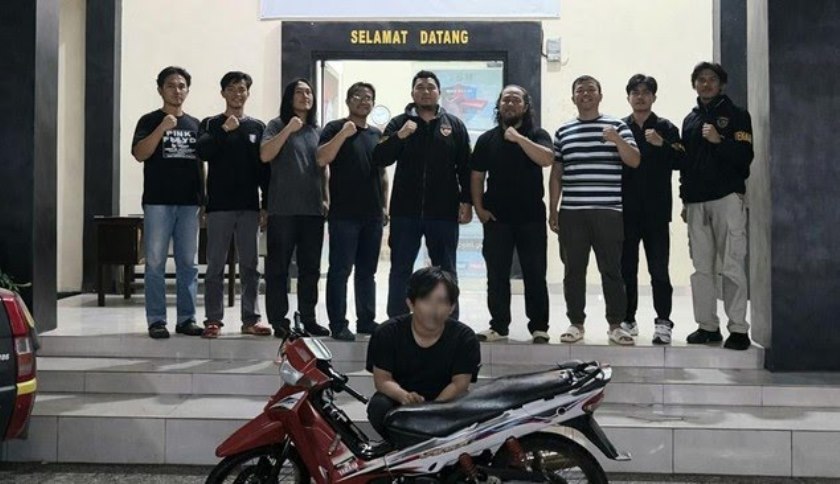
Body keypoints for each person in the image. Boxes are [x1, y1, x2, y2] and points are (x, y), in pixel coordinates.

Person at [373, 70, 472, 319]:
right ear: (412, 93)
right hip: (405, 212)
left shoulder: (454, 125)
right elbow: (380, 157)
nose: (425, 91)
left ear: (439, 93)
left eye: (430, 87)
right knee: (400, 269)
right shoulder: (398, 123)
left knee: (446, 270)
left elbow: (465, 167)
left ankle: (449, 320)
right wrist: (400, 136)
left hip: (443, 212)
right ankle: (396, 320)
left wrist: (467, 201)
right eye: (420, 87)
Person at [549, 75, 641, 345]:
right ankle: (576, 323)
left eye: (591, 90)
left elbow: (634, 160)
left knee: (612, 270)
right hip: (572, 213)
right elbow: (557, 173)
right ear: (573, 97)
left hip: (608, 211)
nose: (586, 94)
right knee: (573, 271)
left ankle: (616, 324)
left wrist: (616, 139)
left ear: (600, 96)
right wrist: (553, 209)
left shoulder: (618, 126)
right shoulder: (563, 131)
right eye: (580, 90)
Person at [470, 85, 554, 344]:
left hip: (531, 218)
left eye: (516, 100)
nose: (510, 104)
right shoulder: (486, 139)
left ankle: (539, 327)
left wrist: (519, 138)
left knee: (535, 274)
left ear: (525, 106)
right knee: (496, 275)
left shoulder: (537, 134)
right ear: (499, 105)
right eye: (505, 99)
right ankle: (498, 325)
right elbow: (477, 176)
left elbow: (546, 159)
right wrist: (479, 209)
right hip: (497, 219)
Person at [680, 62, 754, 351]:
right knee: (701, 268)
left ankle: (738, 328)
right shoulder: (690, 120)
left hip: (726, 198)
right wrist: (685, 199)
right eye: (701, 79)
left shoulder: (737, 115)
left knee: (732, 265)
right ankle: (707, 326)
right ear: (694, 85)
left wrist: (719, 140)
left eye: (712, 79)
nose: (706, 84)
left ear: (721, 84)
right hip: (696, 202)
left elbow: (745, 157)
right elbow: (686, 164)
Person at [196, 71, 271, 338]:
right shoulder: (210, 123)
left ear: (248, 93)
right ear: (223, 93)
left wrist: (265, 204)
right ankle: (213, 320)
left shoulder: (257, 127)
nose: (237, 94)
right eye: (231, 89)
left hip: (249, 206)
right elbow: (202, 152)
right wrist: (224, 130)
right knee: (215, 266)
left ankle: (251, 318)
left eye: (242, 89)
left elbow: (264, 169)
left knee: (250, 266)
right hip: (219, 206)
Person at [365, 267, 480, 438]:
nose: (433, 309)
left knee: (468, 407)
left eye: (442, 301)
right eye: (426, 300)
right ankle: (400, 445)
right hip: (402, 400)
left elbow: (460, 384)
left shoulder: (465, 337)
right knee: (379, 406)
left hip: (446, 403)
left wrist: (431, 409)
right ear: (411, 303)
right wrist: (404, 396)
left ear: (452, 307)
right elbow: (382, 380)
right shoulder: (387, 333)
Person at [131, 66, 203, 339]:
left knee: (188, 264)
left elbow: (200, 166)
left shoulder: (196, 124)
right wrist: (162, 127)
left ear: (188, 90)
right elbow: (140, 153)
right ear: (160, 89)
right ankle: (156, 320)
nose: (177, 90)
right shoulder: (149, 120)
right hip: (158, 202)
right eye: (171, 85)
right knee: (155, 263)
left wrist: (203, 201)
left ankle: (187, 319)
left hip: (189, 204)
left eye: (182, 85)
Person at [317, 82, 389, 341]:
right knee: (340, 270)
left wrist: (385, 206)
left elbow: (382, 174)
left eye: (368, 97)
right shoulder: (334, 128)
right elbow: (321, 159)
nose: (363, 101)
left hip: (372, 214)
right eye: (357, 96)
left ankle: (366, 321)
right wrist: (343, 134)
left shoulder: (376, 134)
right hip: (344, 214)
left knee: (367, 272)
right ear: (348, 101)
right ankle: (338, 323)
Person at [260, 78, 330, 338]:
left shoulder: (317, 130)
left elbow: (323, 168)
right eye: (299, 92)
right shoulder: (276, 125)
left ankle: (308, 318)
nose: (305, 96)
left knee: (310, 269)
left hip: (312, 210)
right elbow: (265, 155)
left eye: (309, 92)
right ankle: (279, 320)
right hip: (283, 210)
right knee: (278, 268)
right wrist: (289, 128)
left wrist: (326, 197)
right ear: (289, 97)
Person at [619, 74, 683, 345]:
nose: (640, 97)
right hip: (626, 210)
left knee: (659, 270)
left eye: (646, 92)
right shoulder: (620, 128)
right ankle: (627, 319)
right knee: (626, 268)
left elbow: (682, 159)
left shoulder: (666, 127)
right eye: (635, 92)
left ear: (654, 97)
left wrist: (662, 144)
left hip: (656, 211)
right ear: (628, 97)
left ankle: (663, 322)